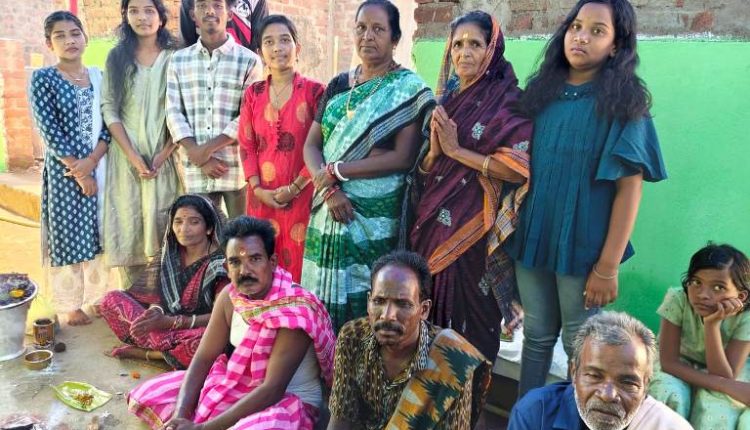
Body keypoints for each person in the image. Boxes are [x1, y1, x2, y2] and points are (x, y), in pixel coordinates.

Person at [503, 0, 668, 397]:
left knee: (581, 346)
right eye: (576, 26)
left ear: (616, 46)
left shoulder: (624, 104)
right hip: (533, 237)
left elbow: (630, 188)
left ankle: (579, 419)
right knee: (537, 336)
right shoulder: (543, 95)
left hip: (584, 248)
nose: (581, 37)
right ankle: (527, 417)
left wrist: (608, 267)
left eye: (597, 30)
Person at [301, 0, 435, 331]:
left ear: (395, 38)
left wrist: (338, 171)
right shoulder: (338, 85)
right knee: (318, 301)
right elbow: (311, 145)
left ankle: (363, 359)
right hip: (327, 208)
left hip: (375, 217)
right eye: (361, 28)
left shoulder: (408, 88)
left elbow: (403, 157)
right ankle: (325, 357)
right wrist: (329, 188)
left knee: (370, 292)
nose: (367, 36)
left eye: (378, 29)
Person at [128, 216, 335, 429]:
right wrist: (180, 416)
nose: (245, 271)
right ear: (226, 267)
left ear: (272, 262)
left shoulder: (294, 309)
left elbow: (272, 390)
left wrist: (202, 428)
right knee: (149, 393)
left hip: (287, 403)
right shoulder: (230, 297)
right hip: (237, 384)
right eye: (236, 262)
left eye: (255, 259)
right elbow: (203, 359)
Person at [409, 10, 532, 362]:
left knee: (471, 324)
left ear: (492, 49)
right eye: (457, 44)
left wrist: (457, 151)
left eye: (475, 44)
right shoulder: (446, 99)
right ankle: (427, 390)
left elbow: (517, 170)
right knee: (427, 313)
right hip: (432, 221)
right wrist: (436, 153)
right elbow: (427, 167)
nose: (464, 53)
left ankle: (470, 392)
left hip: (475, 230)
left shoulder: (508, 101)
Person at [328, 250, 491, 430]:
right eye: (379, 301)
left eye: (403, 304)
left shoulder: (452, 360)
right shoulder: (352, 337)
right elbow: (341, 417)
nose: (387, 315)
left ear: (424, 310)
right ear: (368, 302)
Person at [29, 11, 111, 326]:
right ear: (49, 43)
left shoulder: (99, 77)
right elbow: (49, 130)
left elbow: (109, 124)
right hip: (65, 174)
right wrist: (80, 172)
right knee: (68, 233)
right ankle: (71, 303)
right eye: (60, 36)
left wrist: (92, 163)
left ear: (85, 38)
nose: (69, 41)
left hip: (100, 166)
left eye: (75, 33)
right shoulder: (44, 79)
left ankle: (98, 296)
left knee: (98, 231)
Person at [102, 0, 183, 289]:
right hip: (126, 158)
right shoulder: (117, 57)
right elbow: (109, 108)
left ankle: (166, 297)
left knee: (165, 223)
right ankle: (132, 299)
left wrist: (164, 153)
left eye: (149, 11)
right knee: (130, 222)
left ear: (161, 17)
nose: (142, 17)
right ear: (125, 16)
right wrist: (134, 157)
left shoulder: (177, 57)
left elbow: (185, 109)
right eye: (133, 11)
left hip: (166, 157)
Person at [238, 15, 325, 282]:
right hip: (261, 198)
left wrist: (295, 188)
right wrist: (258, 190)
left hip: (303, 196)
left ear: (297, 48)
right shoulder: (253, 94)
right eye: (269, 42)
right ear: (259, 51)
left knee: (300, 267)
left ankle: (297, 310)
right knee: (261, 262)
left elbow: (323, 146)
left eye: (285, 40)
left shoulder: (315, 92)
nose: (277, 48)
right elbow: (246, 145)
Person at [100, 195, 228, 369]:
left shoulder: (221, 264)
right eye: (178, 222)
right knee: (111, 299)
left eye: (194, 222)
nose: (184, 229)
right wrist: (154, 312)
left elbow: (222, 316)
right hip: (164, 326)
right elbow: (157, 296)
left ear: (209, 228)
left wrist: (172, 322)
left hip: (196, 328)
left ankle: (150, 353)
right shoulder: (171, 253)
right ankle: (169, 349)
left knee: (208, 341)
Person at [509, 311, 692, 430]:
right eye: (594, 376)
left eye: (627, 382)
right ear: (574, 373)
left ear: (645, 386)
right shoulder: (536, 413)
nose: (608, 395)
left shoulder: (668, 427)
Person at [167, 0, 263, 219]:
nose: (210, 10)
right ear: (193, 14)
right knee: (201, 232)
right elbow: (173, 112)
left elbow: (248, 116)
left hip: (234, 167)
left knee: (239, 231)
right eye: (202, 5)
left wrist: (204, 151)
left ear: (230, 13)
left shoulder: (249, 61)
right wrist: (196, 153)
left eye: (217, 5)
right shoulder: (178, 61)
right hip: (195, 169)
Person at [649, 244, 750, 429]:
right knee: (667, 391)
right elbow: (668, 363)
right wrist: (724, 385)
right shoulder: (678, 299)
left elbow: (725, 374)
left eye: (718, 287)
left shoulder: (746, 318)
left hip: (725, 370)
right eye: (696, 282)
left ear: (741, 297)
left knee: (717, 412)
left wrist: (711, 326)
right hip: (680, 363)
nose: (703, 294)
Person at [180, 0, 268, 52]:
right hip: (200, 66)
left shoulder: (256, 1)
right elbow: (187, 40)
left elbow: (258, 42)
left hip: (241, 67)